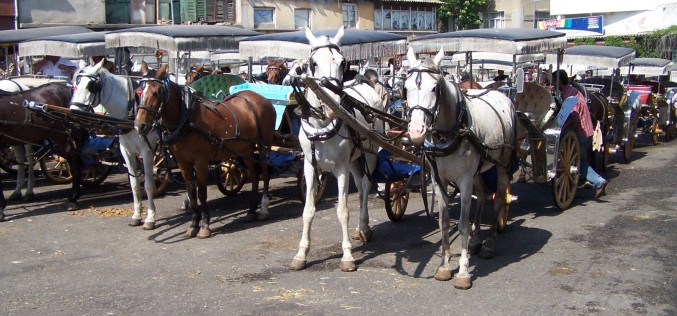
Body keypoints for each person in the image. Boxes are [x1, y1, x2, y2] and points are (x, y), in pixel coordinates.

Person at [553, 69, 608, 198]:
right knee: (579, 160)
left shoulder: (570, 97)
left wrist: (559, 129)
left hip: (581, 132)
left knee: (579, 161)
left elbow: (574, 117)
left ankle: (599, 182)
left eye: (553, 80)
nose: (551, 83)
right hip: (585, 129)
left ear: (559, 81)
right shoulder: (571, 91)